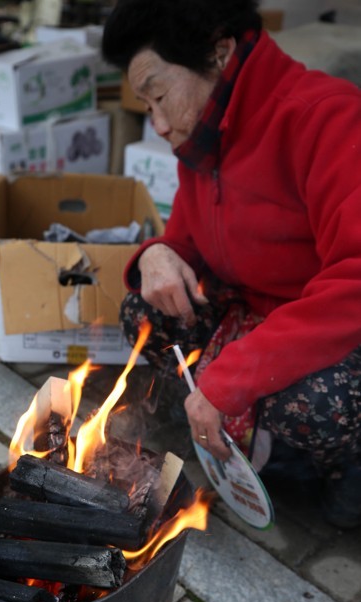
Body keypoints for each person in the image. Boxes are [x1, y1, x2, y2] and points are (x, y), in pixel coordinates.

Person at [101, 0, 361, 528]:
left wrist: (229, 380)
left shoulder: (325, 117)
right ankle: (226, 430)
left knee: (317, 401)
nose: (155, 123)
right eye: (145, 106)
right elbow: (190, 235)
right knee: (142, 312)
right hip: (248, 312)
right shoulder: (204, 136)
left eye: (158, 95)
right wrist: (157, 254)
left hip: (324, 329)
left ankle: (339, 466)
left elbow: (354, 279)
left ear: (218, 53)